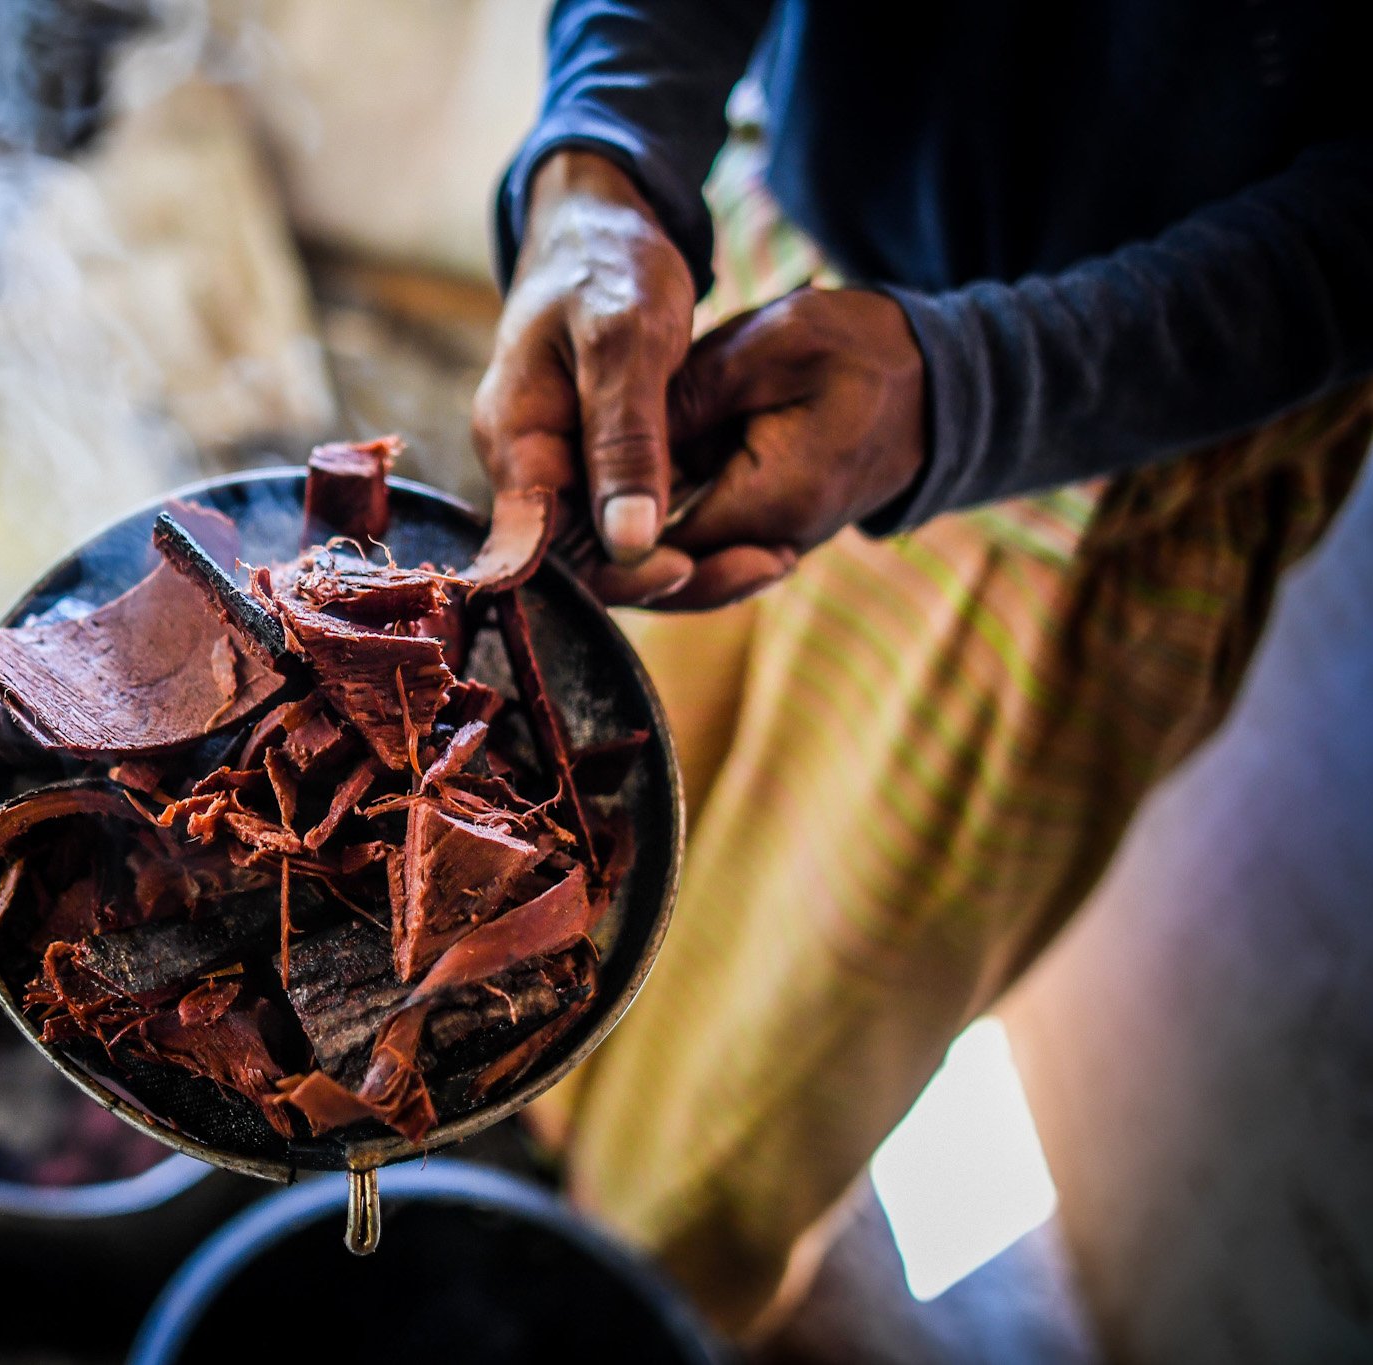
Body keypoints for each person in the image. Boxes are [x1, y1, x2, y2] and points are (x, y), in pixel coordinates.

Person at [476, 0, 1373, 1340]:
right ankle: (515, 1146)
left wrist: (965, 395)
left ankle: (611, 1300)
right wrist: (602, 150)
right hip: (746, 285)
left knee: (758, 1069)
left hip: (1092, 476)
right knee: (540, 878)